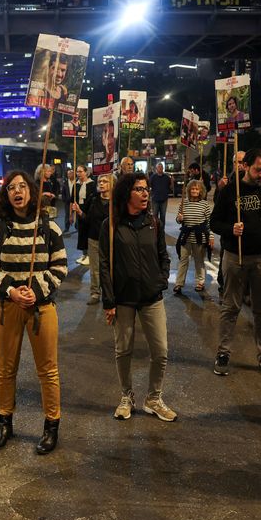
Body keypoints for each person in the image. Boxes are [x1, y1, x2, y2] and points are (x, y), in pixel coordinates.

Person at [0, 170, 67, 454]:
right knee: (6, 370)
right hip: (7, 308)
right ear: (6, 197)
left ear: (31, 191)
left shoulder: (49, 228)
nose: (17, 191)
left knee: (48, 371)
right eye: (11, 188)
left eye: (22, 186)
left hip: (42, 309)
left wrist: (36, 291)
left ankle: (51, 427)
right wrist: (12, 291)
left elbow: (60, 267)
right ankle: (4, 423)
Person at [99, 172, 176, 422]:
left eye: (146, 190)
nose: (145, 194)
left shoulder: (153, 222)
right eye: (139, 189)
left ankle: (153, 398)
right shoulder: (110, 225)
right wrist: (109, 301)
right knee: (123, 350)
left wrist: (161, 279)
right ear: (126, 194)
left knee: (161, 351)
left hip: (152, 297)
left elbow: (163, 254)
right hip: (123, 299)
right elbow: (104, 265)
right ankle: (126, 396)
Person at [210, 149, 261, 377]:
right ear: (246, 167)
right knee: (230, 307)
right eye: (258, 169)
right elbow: (214, 222)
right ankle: (223, 353)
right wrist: (230, 229)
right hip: (235, 257)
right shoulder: (230, 191)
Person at [174, 179, 213, 296]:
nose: (194, 191)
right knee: (183, 260)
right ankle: (179, 283)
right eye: (192, 189)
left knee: (199, 261)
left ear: (200, 191)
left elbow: (209, 222)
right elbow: (178, 219)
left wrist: (210, 236)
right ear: (189, 190)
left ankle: (200, 282)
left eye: (197, 189)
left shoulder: (204, 204)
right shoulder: (184, 203)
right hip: (186, 236)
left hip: (200, 236)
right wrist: (179, 219)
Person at [83, 173, 113, 304]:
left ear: (111, 184)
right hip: (94, 238)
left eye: (105, 181)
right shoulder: (93, 199)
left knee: (110, 268)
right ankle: (95, 293)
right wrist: (79, 212)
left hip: (111, 240)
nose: (101, 183)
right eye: (100, 181)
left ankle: (110, 293)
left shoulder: (116, 202)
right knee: (95, 269)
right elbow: (88, 219)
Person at [69, 165, 95, 265]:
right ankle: (84, 254)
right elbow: (72, 200)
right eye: (77, 172)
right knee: (82, 233)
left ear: (86, 172)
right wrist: (70, 215)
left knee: (89, 232)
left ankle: (89, 255)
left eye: (80, 171)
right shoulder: (76, 185)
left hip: (89, 211)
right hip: (79, 211)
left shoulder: (92, 184)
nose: (78, 174)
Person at [149, 162, 172, 229]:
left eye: (161, 167)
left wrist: (172, 182)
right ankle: (155, 229)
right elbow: (149, 186)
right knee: (155, 215)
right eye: (159, 167)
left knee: (163, 216)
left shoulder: (166, 177)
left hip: (164, 199)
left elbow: (170, 188)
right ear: (156, 169)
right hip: (155, 199)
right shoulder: (153, 177)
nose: (160, 168)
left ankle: (162, 229)